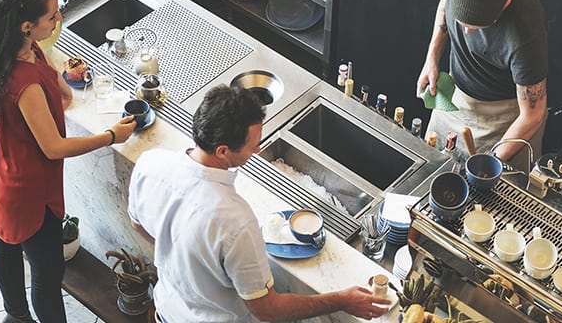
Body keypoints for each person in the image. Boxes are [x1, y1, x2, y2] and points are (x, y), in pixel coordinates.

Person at [128, 84, 392, 322]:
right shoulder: (235, 222)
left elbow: (137, 223)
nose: (257, 151)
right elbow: (267, 310)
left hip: (166, 312)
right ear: (222, 151)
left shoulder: (150, 164)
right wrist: (341, 300)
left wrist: (182, 256)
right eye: (253, 146)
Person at [0, 0, 136, 323]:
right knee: (47, 270)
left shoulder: (13, 50)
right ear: (26, 25)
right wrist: (111, 136)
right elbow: (53, 147)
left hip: (5, 171)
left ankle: (16, 315)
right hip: (29, 189)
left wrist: (59, 78)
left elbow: (63, 94)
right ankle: (23, 317)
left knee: (7, 243)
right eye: (52, 16)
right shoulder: (23, 82)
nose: (58, 19)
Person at [416, 0, 548, 168]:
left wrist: (491, 163)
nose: (466, 33)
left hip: (502, 118)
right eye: (461, 24)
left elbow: (533, 114)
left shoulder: (526, 30)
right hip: (455, 98)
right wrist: (432, 58)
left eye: (475, 28)